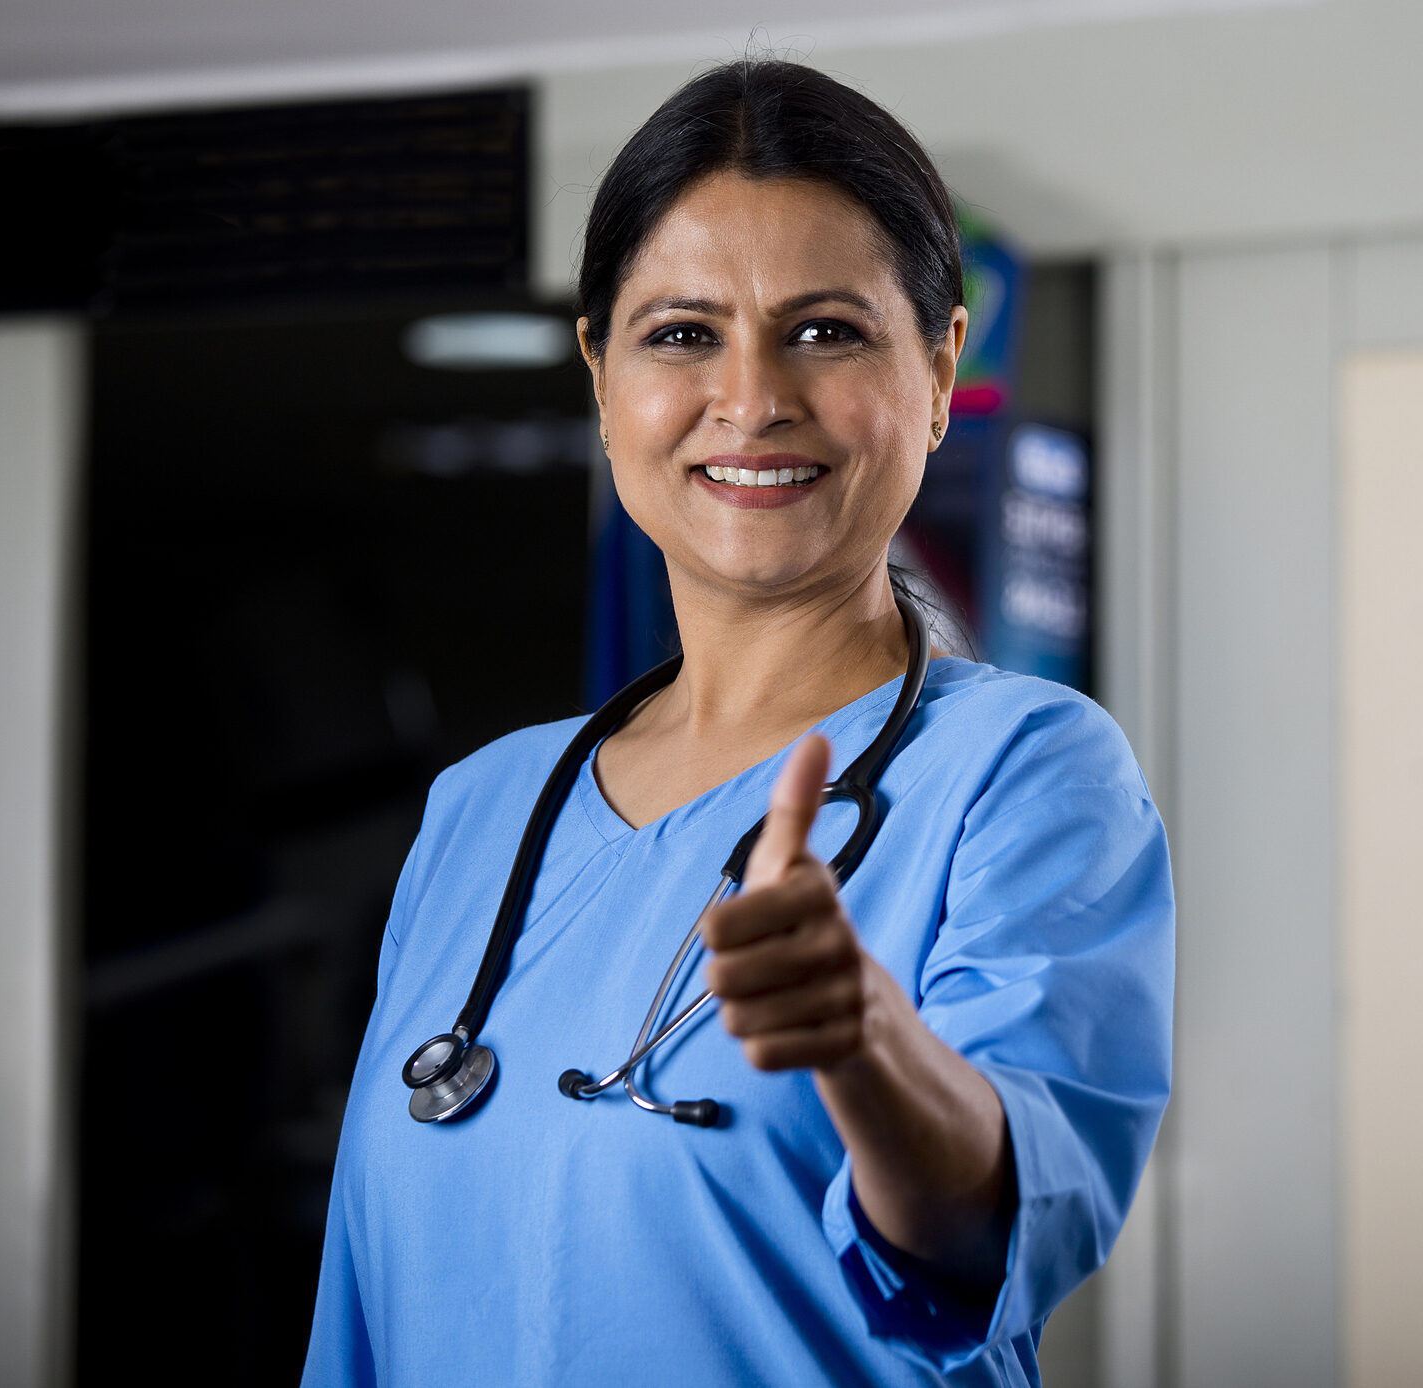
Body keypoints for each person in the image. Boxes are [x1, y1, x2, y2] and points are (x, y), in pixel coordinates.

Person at [302, 59, 1173, 1386]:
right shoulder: (483, 812)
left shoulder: (1024, 778)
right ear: (601, 375)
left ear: (938, 372)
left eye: (826, 331)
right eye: (681, 333)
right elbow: (359, 1314)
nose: (754, 396)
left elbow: (1004, 1226)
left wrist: (864, 1044)